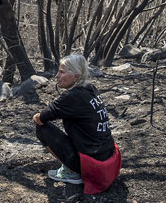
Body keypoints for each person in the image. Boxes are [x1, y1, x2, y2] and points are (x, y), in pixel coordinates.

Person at [33, 54, 121, 194]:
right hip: (107, 155)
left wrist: (39, 116)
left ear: (76, 76)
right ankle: (74, 168)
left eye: (62, 72)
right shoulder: (90, 89)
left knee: (42, 129)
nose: (57, 76)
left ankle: (71, 172)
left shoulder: (71, 96)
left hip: (91, 163)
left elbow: (40, 118)